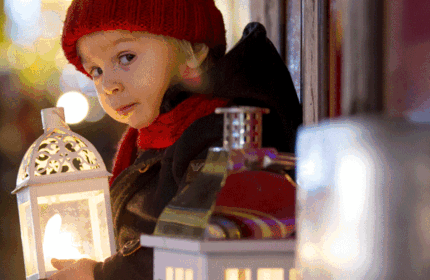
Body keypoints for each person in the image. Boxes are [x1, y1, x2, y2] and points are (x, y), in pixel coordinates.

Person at [49, 0, 303, 279]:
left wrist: (102, 274)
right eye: (96, 71)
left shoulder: (219, 136)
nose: (109, 84)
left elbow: (193, 243)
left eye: (126, 57)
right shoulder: (153, 138)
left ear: (194, 51)